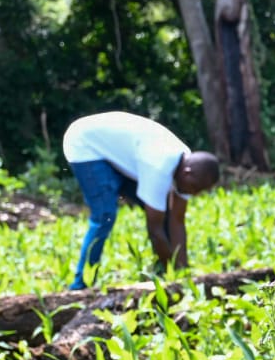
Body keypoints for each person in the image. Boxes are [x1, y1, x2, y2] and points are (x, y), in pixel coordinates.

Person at [61, 111, 220, 290]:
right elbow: (154, 230)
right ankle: (81, 285)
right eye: (195, 189)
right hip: (85, 144)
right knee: (104, 215)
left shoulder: (191, 168)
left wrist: (183, 272)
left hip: (121, 154)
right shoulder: (159, 167)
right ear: (187, 173)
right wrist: (174, 278)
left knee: (165, 214)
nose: (194, 194)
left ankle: (162, 272)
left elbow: (177, 221)